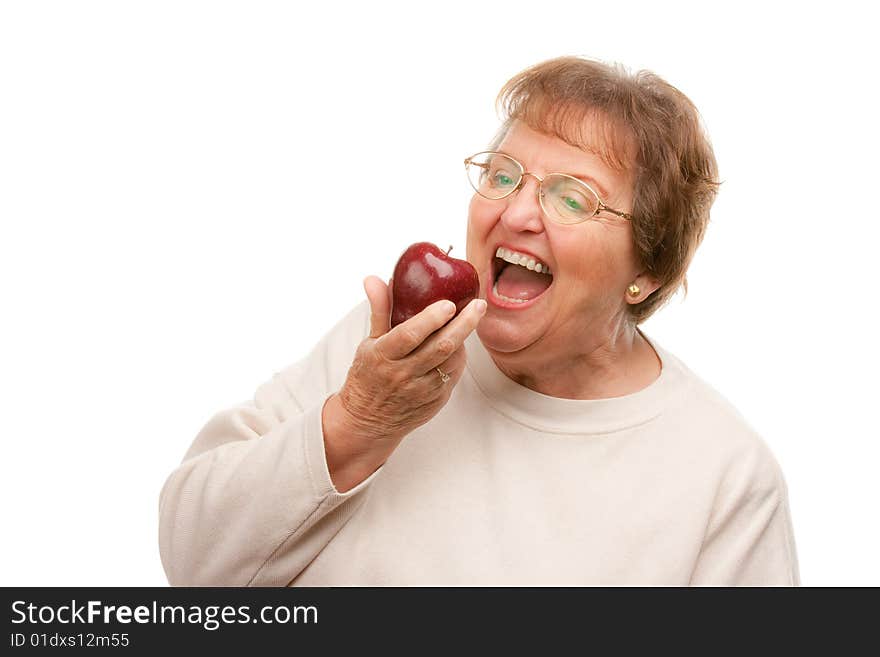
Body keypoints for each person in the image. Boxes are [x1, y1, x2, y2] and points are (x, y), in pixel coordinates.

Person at [158, 56, 800, 586]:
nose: (517, 213)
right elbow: (194, 562)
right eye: (503, 176)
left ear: (649, 270)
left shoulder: (725, 475)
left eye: (572, 198)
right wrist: (357, 424)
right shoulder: (390, 348)